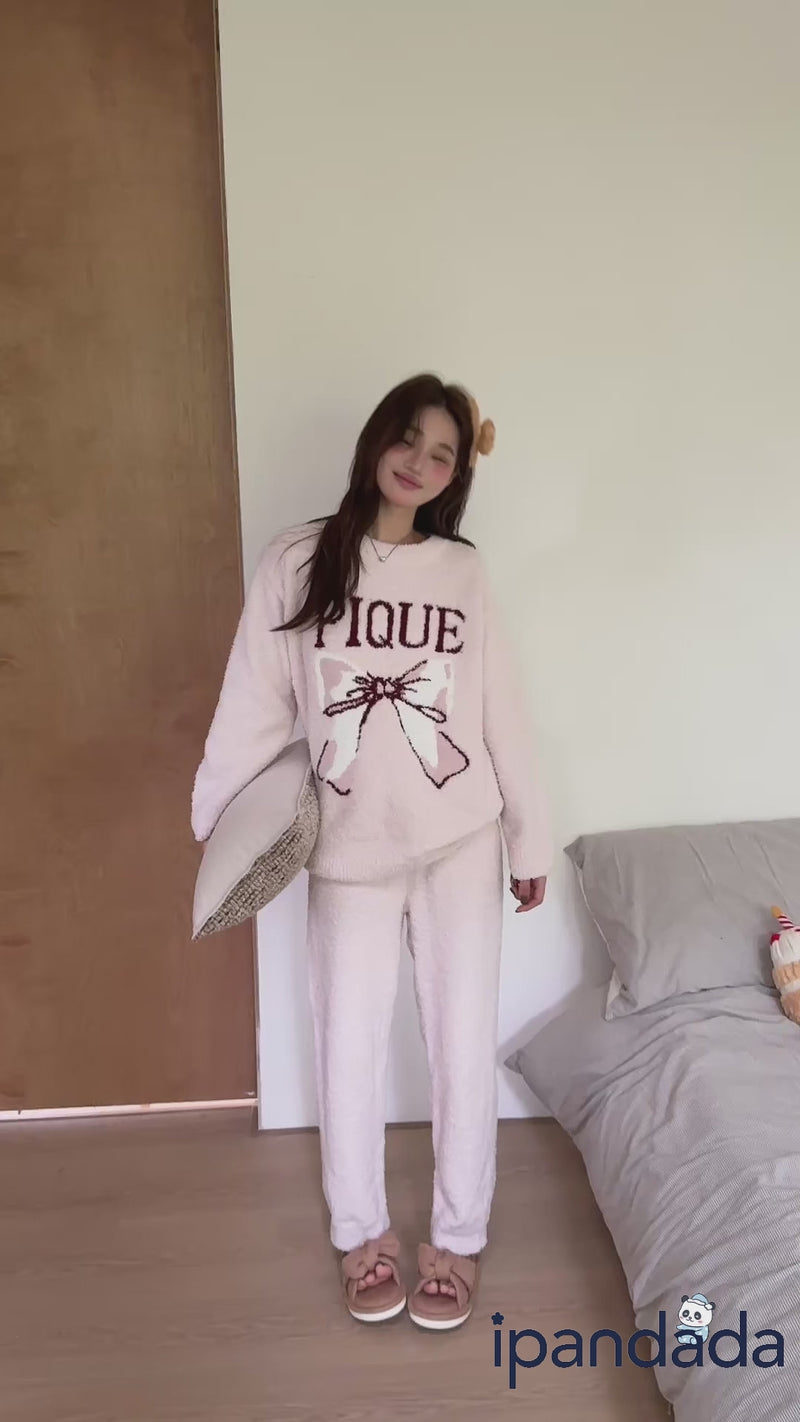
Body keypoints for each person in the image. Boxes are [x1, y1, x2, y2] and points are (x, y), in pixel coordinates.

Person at [191, 373, 551, 1330]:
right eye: (408, 439)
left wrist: (529, 837)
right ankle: (361, 1233)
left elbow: (501, 713)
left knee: (461, 1041)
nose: (419, 463)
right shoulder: (298, 558)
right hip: (346, 848)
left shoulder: (461, 572)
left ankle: (458, 1236)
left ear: (456, 473)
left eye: (443, 454)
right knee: (346, 1044)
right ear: (375, 439)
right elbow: (254, 698)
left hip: (460, 838)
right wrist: (216, 826)